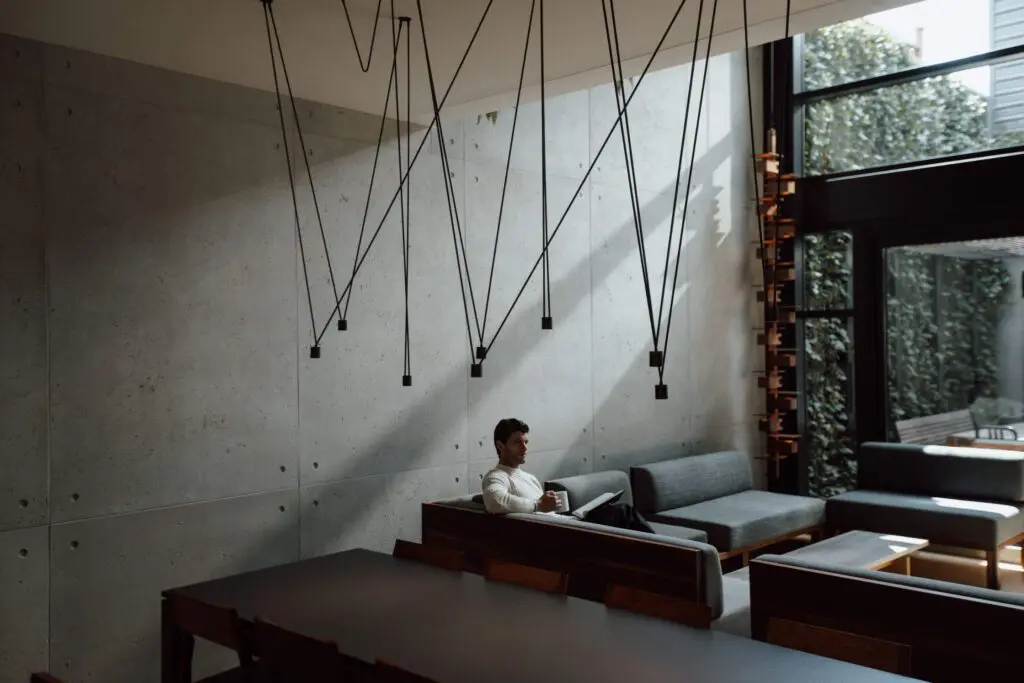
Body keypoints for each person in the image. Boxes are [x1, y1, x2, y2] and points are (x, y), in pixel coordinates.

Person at [481, 418, 560, 514]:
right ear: (500, 446)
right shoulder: (496, 476)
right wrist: (538, 505)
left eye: (526, 442)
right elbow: (495, 502)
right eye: (518, 443)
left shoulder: (531, 478)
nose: (525, 448)